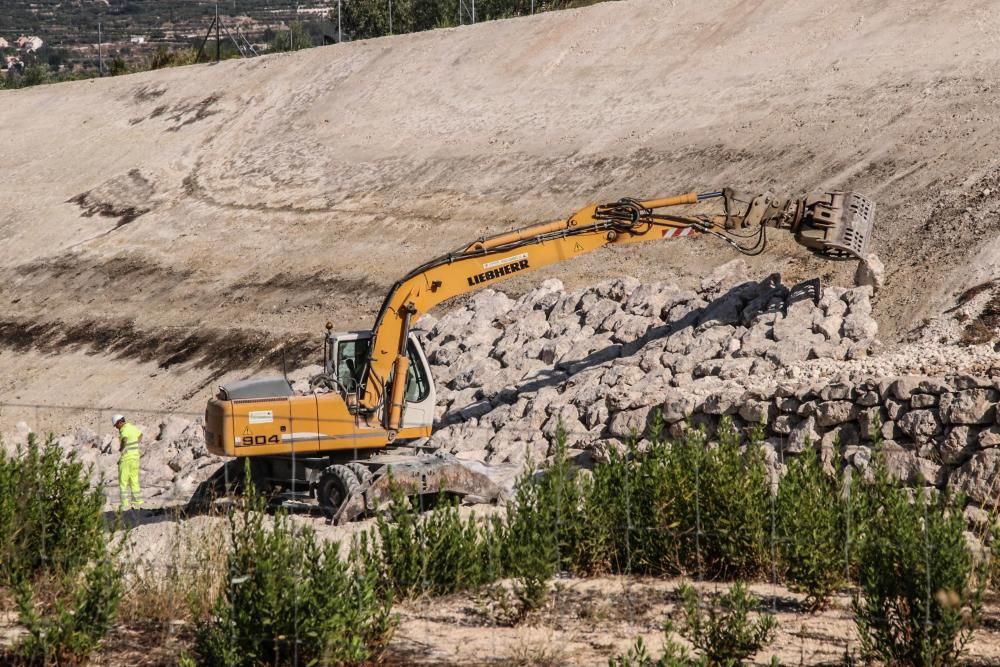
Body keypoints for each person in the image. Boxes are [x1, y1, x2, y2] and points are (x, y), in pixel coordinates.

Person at [113, 414, 144, 511]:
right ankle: (137, 502)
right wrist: (134, 444)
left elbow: (125, 439)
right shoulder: (132, 427)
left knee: (123, 482)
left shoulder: (124, 430)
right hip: (135, 457)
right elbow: (140, 435)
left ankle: (124, 504)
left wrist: (121, 448)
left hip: (126, 459)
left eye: (116, 425)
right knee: (134, 480)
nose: (116, 428)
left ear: (119, 422)